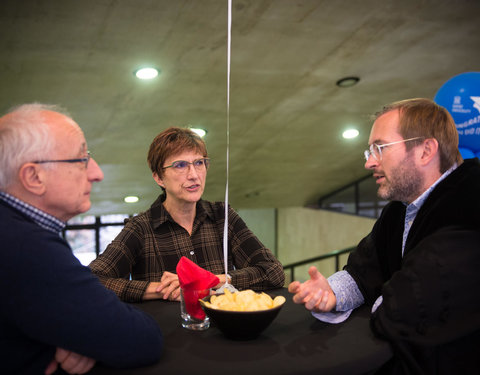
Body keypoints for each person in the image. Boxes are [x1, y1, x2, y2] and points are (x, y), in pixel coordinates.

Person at [288, 98, 480, 374]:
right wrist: (330, 292)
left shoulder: (469, 207)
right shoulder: (398, 211)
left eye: (379, 148)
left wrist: (383, 298)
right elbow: (363, 273)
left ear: (425, 150)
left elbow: (402, 311)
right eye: (369, 151)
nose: (369, 163)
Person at [0, 104, 163, 374]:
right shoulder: (27, 247)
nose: (96, 173)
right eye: (81, 159)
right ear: (33, 176)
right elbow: (142, 340)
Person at [89, 127, 285, 302]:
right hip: (168, 336)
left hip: (223, 333)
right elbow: (93, 280)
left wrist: (212, 280)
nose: (194, 174)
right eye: (180, 165)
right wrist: (160, 289)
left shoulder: (222, 216)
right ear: (159, 177)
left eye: (199, 162)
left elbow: (273, 271)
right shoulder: (141, 227)